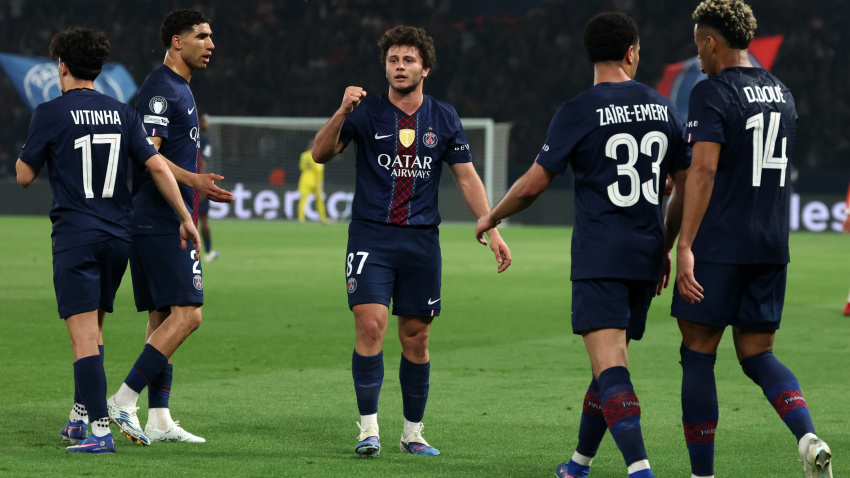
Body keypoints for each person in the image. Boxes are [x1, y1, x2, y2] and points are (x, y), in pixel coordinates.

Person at [476, 12, 688, 478]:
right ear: (631, 52)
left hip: (601, 255)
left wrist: (493, 215)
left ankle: (640, 471)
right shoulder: (662, 106)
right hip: (647, 254)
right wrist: (669, 245)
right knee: (607, 363)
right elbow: (682, 184)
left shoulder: (579, 109)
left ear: (591, 54)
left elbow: (534, 184)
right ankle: (578, 465)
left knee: (610, 367)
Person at [312, 25, 511, 458]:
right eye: (393, 60)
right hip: (371, 236)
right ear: (385, 66)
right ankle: (368, 429)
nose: (399, 67)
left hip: (421, 241)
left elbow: (466, 177)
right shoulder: (365, 112)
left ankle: (412, 433)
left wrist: (491, 225)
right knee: (370, 326)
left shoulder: (444, 117)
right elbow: (320, 154)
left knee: (416, 338)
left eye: (408, 60)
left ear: (425, 68)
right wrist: (342, 111)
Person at [15, 27, 200, 454]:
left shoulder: (50, 112)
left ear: (62, 66)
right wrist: (185, 216)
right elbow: (157, 166)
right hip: (118, 238)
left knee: (82, 336)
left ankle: (100, 429)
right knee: (95, 328)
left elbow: (23, 176)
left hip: (76, 237)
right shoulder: (122, 112)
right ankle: (80, 416)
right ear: (98, 69)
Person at [673, 1, 833, 477]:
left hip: (720, 244)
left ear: (711, 41)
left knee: (697, 354)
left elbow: (703, 170)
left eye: (698, 45)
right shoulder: (782, 92)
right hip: (771, 244)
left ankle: (702, 474)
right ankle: (808, 437)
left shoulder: (711, 91)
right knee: (758, 352)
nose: (698, 56)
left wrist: (684, 245)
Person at [107, 8, 228, 446]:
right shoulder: (161, 89)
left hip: (157, 218)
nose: (210, 44)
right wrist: (191, 188)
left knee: (161, 317)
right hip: (160, 219)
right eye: (201, 36)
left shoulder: (180, 87)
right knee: (189, 314)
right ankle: (123, 399)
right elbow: (148, 154)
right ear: (177, 41)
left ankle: (159, 417)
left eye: (210, 36)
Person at [197, 112, 220, 261]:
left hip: (183, 180)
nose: (208, 124)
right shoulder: (204, 140)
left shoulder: (184, 136)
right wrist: (201, 185)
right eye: (205, 121)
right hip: (197, 183)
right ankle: (208, 252)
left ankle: (186, 252)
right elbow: (202, 162)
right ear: (199, 121)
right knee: (203, 220)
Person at [297, 138, 327, 223]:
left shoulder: (303, 155)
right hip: (315, 180)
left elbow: (301, 167)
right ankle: (323, 218)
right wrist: (320, 183)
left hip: (304, 179)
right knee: (319, 199)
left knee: (303, 199)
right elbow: (319, 170)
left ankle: (301, 218)